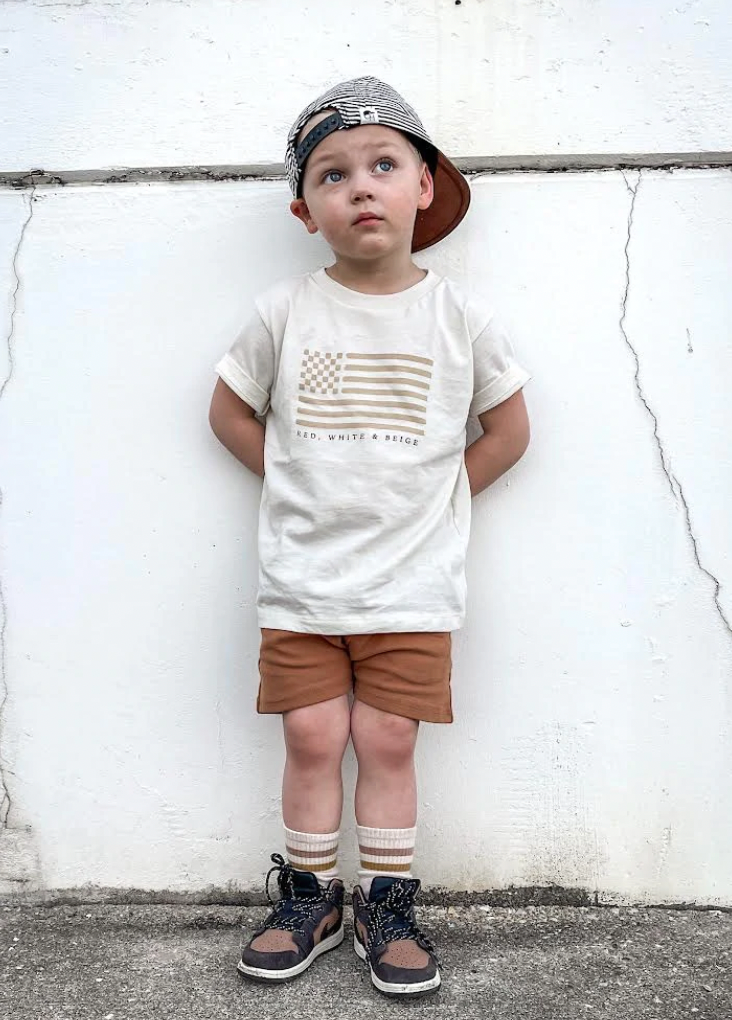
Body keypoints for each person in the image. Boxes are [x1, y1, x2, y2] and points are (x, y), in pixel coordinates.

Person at [209, 76, 531, 998]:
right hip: (304, 583)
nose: (360, 186)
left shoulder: (459, 317)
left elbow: (508, 434)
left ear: (423, 185)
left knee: (388, 742)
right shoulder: (285, 311)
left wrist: (435, 503)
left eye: (384, 165)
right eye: (332, 174)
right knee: (312, 738)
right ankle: (309, 895)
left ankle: (387, 902)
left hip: (414, 586)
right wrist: (298, 480)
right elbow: (228, 411)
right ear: (305, 209)